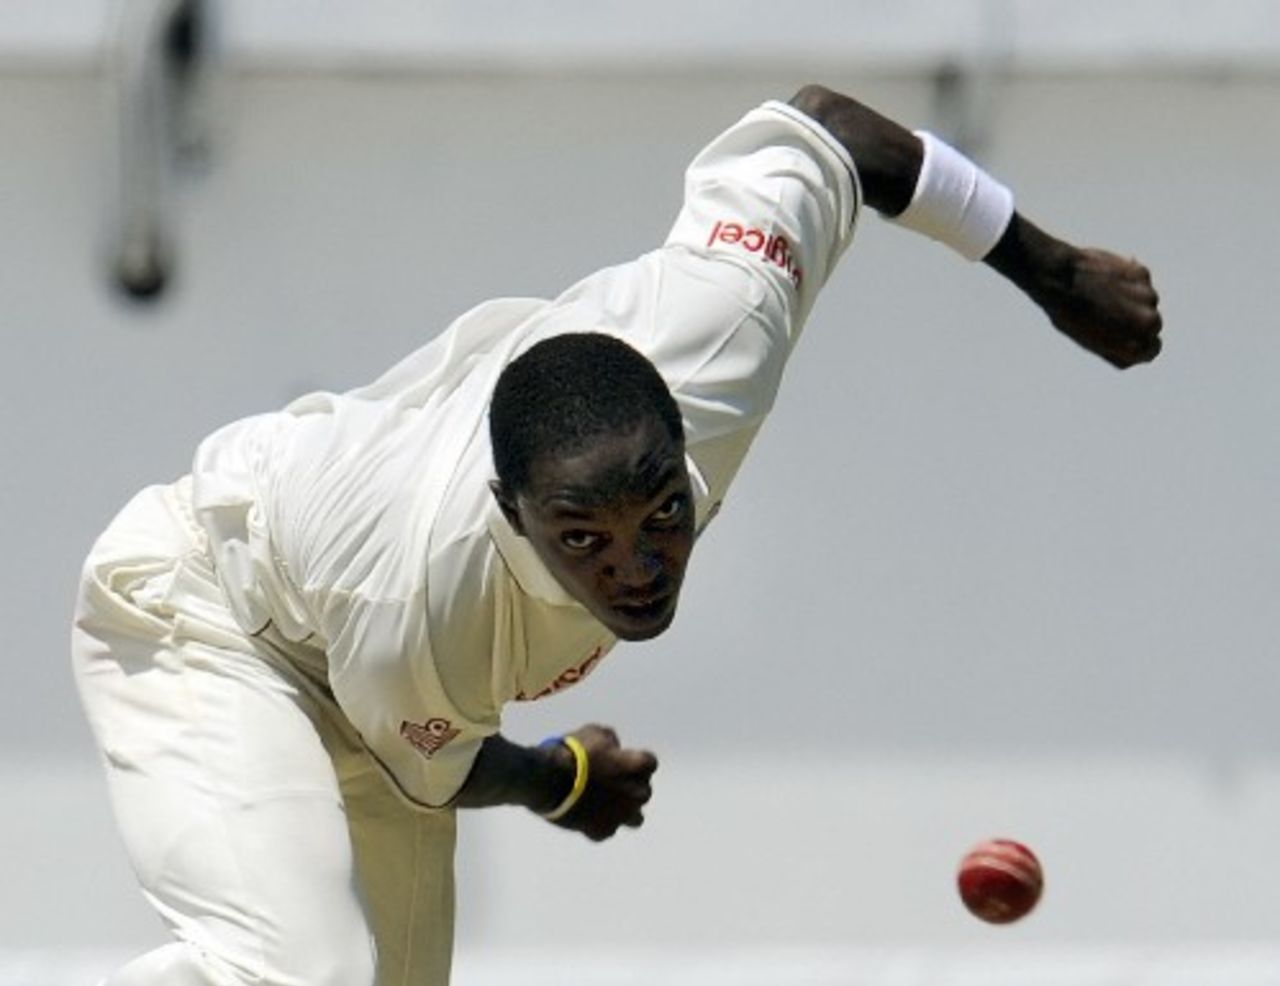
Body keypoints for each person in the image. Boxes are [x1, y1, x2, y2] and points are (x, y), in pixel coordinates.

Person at [72, 83, 1162, 986]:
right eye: (582, 541)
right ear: (513, 516)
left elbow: (829, 129)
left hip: (359, 645)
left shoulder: (720, 330)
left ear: (681, 437)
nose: (638, 569)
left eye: (662, 515)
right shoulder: (429, 602)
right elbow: (441, 764)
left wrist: (1054, 272)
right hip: (205, 614)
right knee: (294, 972)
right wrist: (561, 778)